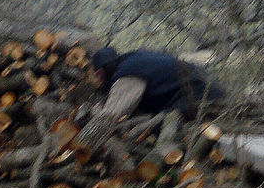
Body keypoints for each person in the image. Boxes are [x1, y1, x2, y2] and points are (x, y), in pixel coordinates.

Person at [77, 47, 225, 151]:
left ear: (104, 69)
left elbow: (110, 116)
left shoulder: (127, 74)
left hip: (200, 94)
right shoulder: (134, 59)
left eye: (99, 75)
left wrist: (93, 114)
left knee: (155, 127)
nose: (99, 79)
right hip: (205, 86)